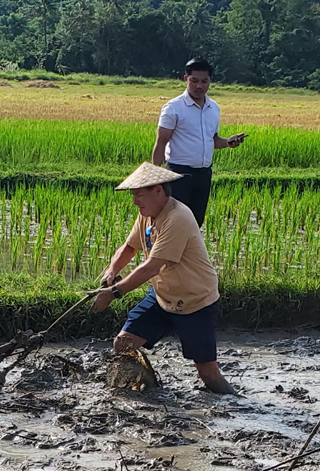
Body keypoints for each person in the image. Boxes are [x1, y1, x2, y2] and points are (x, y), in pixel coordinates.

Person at [93, 162, 235, 395]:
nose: (135, 201)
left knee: (208, 374)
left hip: (194, 301)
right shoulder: (147, 215)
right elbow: (129, 247)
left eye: (139, 195)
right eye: (133, 196)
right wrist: (110, 271)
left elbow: (151, 267)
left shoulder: (177, 217)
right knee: (123, 344)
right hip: (162, 297)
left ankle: (238, 405)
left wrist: (113, 292)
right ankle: (141, 390)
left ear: (158, 190)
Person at [151, 57, 245, 228]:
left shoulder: (213, 108)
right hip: (178, 175)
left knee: (196, 223)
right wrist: (155, 179)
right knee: (174, 223)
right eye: (194, 81)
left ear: (210, 81)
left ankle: (188, 255)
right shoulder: (173, 108)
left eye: (204, 81)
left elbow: (213, 140)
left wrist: (228, 142)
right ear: (186, 79)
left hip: (203, 175)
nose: (199, 86)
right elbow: (161, 143)